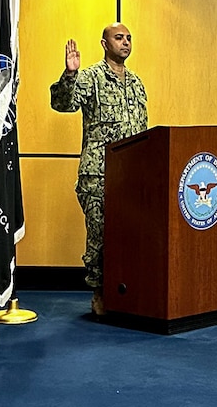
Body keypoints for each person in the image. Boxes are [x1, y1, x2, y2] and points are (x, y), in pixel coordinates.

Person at [49, 23, 148, 316]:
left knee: (131, 235)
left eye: (129, 38)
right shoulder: (90, 77)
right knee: (100, 236)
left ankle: (127, 292)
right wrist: (69, 74)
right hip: (98, 174)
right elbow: (62, 103)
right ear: (104, 44)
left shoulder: (137, 82)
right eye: (119, 38)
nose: (126, 43)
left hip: (132, 175)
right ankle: (99, 293)